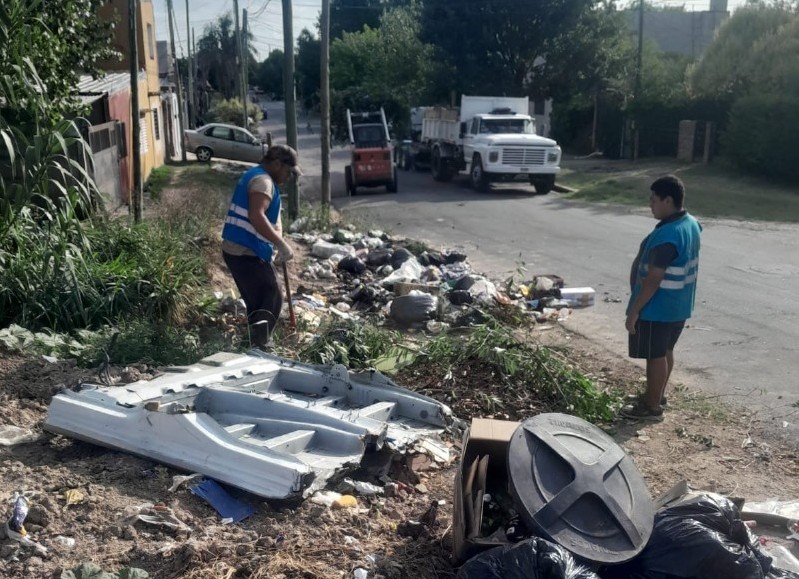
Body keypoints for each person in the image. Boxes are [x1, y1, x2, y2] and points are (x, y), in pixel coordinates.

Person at [622, 175, 702, 420]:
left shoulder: (669, 236)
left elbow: (654, 278)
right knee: (666, 350)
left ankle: (652, 408)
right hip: (678, 305)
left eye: (654, 200)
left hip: (658, 306)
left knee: (654, 356)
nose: (650, 204)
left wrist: (635, 310)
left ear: (668, 200)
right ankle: (657, 395)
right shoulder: (690, 223)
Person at [221, 144, 302, 349]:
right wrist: (280, 244)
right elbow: (256, 215)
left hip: (243, 249)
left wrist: (277, 240)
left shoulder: (260, 177)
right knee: (272, 297)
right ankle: (259, 346)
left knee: (260, 301)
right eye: (288, 171)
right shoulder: (263, 182)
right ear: (277, 164)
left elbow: (266, 217)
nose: (288, 177)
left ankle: (254, 344)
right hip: (245, 250)